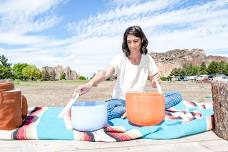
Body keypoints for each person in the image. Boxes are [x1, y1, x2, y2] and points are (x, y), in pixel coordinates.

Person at [73, 25, 159, 119]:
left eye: (135, 41)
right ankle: (132, 111)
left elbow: (153, 80)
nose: (132, 45)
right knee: (103, 112)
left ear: (142, 40)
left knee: (175, 97)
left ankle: (134, 110)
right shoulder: (120, 58)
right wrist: (90, 84)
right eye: (129, 42)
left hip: (138, 101)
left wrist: (155, 81)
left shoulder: (148, 59)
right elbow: (105, 72)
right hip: (119, 101)